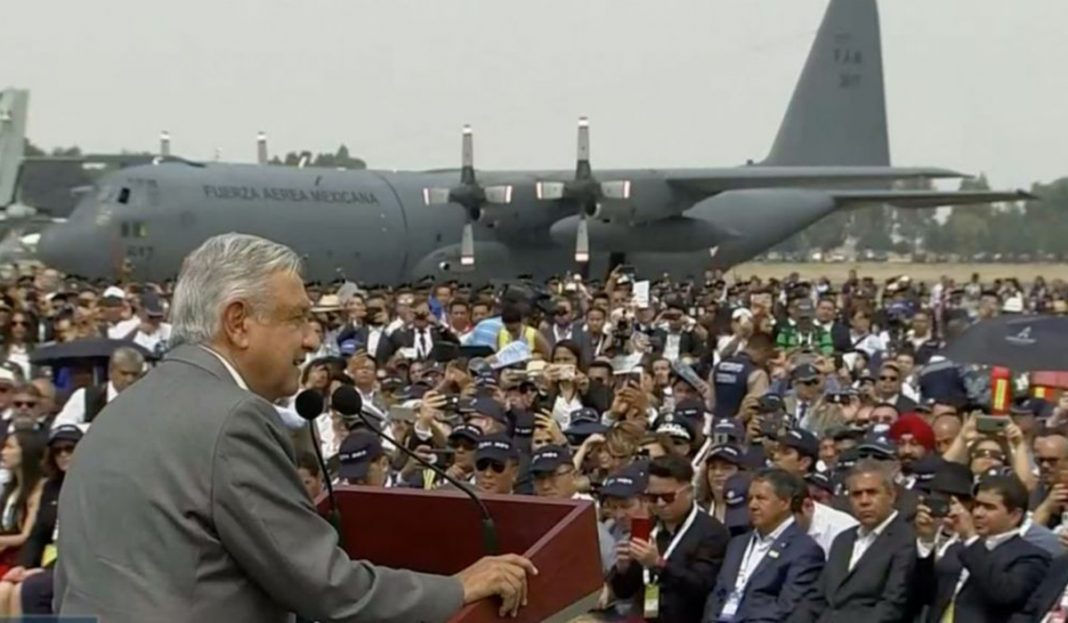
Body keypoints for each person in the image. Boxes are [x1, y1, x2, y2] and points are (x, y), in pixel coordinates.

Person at [55, 234, 537, 622]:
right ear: (238, 322)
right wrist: (456, 588)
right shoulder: (235, 418)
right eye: (298, 318)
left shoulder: (117, 412)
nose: (311, 339)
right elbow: (327, 588)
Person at [790, 460, 917, 623]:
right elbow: (817, 598)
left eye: (872, 493)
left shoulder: (905, 539)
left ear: (891, 496)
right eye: (856, 494)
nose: (864, 501)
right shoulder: (843, 539)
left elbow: (892, 606)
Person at [914, 473, 1049, 623]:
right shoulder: (958, 549)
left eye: (989, 508)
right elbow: (924, 594)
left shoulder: (1031, 557)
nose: (978, 513)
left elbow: (1003, 594)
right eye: (977, 505)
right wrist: (926, 540)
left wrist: (971, 537)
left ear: (1015, 515)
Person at [610, 454, 729, 623]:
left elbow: (703, 588)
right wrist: (623, 569)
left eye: (667, 497)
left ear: (689, 491)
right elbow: (623, 592)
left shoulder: (712, 532)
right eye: (652, 498)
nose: (659, 504)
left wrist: (658, 564)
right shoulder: (647, 527)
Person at [703, 468, 824, 623]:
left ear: (785, 503)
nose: (752, 505)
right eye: (750, 499)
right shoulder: (737, 544)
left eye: (761, 498)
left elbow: (787, 607)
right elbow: (717, 594)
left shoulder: (805, 550)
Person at [50, 347, 145, 428]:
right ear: (110, 372)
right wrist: (96, 429)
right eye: (124, 373)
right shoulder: (84, 397)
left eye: (135, 374)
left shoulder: (149, 401)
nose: (129, 380)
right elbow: (60, 426)